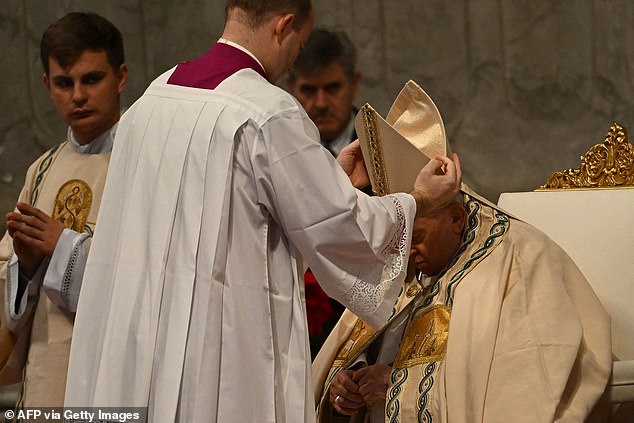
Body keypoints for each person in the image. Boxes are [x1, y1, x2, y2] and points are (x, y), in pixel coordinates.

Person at [63, 1, 461, 422]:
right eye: (299, 45)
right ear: (285, 26)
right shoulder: (269, 112)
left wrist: (333, 184)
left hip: (138, 347)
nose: (292, 61)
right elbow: (347, 231)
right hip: (216, 355)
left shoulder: (152, 100)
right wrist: (418, 199)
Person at [312, 81, 612, 423]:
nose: (405, 253)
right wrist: (346, 382)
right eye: (396, 240)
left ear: (456, 218)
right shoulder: (400, 259)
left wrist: (396, 386)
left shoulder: (519, 259)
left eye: (417, 236)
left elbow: (525, 384)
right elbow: (353, 353)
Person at [0, 12, 128, 407]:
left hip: (114, 373)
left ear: (120, 77)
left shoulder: (141, 160)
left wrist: (65, 247)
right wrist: (24, 265)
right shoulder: (41, 170)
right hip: (46, 371)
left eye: (91, 79)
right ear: (46, 84)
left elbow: (150, 273)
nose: (77, 95)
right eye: (63, 83)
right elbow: (10, 284)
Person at [287, 27, 364, 359]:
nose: (320, 102)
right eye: (308, 89)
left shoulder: (387, 148)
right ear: (291, 88)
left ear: (354, 83)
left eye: (332, 88)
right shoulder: (278, 156)